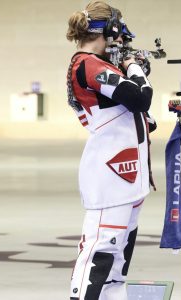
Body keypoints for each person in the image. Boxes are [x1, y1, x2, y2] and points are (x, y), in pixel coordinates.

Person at [65, 1, 156, 299]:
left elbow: (144, 119)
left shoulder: (100, 65)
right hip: (111, 172)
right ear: (108, 30)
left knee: (118, 258)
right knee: (100, 250)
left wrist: (130, 67)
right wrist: (132, 66)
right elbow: (140, 99)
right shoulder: (87, 64)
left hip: (128, 173)